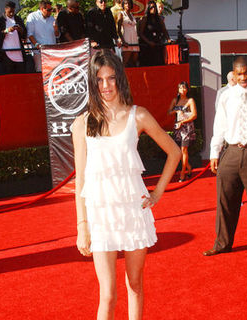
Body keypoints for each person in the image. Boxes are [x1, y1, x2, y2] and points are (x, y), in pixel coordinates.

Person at [72, 49, 181, 319]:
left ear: (120, 79)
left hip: (133, 211)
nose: (106, 85)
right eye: (99, 80)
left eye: (111, 78)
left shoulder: (138, 116)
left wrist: (157, 192)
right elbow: (81, 179)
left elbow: (175, 152)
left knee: (134, 284)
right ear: (92, 83)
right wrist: (82, 226)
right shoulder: (83, 123)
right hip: (100, 215)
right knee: (107, 294)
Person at [204, 56, 247, 256]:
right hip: (231, 153)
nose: (243, 77)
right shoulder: (226, 95)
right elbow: (219, 126)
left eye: (246, 73)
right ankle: (222, 243)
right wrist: (214, 152)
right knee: (225, 200)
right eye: (239, 73)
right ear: (233, 73)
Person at [168, 81, 197, 182]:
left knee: (184, 150)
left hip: (187, 128)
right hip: (177, 128)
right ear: (178, 90)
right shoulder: (175, 101)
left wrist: (183, 121)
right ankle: (189, 168)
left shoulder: (190, 100)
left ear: (187, 89)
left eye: (184, 88)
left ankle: (182, 173)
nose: (183, 90)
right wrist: (176, 111)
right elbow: (169, 112)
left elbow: (194, 115)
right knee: (179, 151)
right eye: (181, 88)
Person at [0, 1, 27, 74]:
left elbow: (24, 35)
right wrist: (7, 30)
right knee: (9, 75)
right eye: (9, 12)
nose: (11, 13)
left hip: (18, 52)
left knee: (21, 74)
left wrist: (20, 30)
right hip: (6, 53)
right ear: (5, 9)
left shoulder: (18, 19)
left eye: (13, 11)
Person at [26, 0, 59, 72]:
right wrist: (37, 45)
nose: (50, 12)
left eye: (51, 10)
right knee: (40, 72)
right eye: (48, 10)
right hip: (39, 52)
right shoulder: (32, 17)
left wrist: (56, 30)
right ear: (42, 9)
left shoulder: (52, 19)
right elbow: (29, 34)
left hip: (51, 51)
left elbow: (57, 36)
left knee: (53, 72)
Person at [138, 0, 170, 66]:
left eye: (155, 7)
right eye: (152, 7)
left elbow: (164, 30)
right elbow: (140, 33)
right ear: (148, 8)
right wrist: (149, 42)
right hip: (147, 45)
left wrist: (168, 39)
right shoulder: (145, 19)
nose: (154, 9)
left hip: (157, 43)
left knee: (159, 62)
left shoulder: (159, 19)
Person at [117, 0, 139, 67]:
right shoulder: (121, 14)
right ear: (123, 5)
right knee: (125, 62)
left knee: (134, 62)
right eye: (126, 3)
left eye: (129, 3)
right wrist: (123, 41)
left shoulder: (132, 15)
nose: (127, 5)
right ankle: (122, 77)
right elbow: (118, 30)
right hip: (127, 39)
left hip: (134, 39)